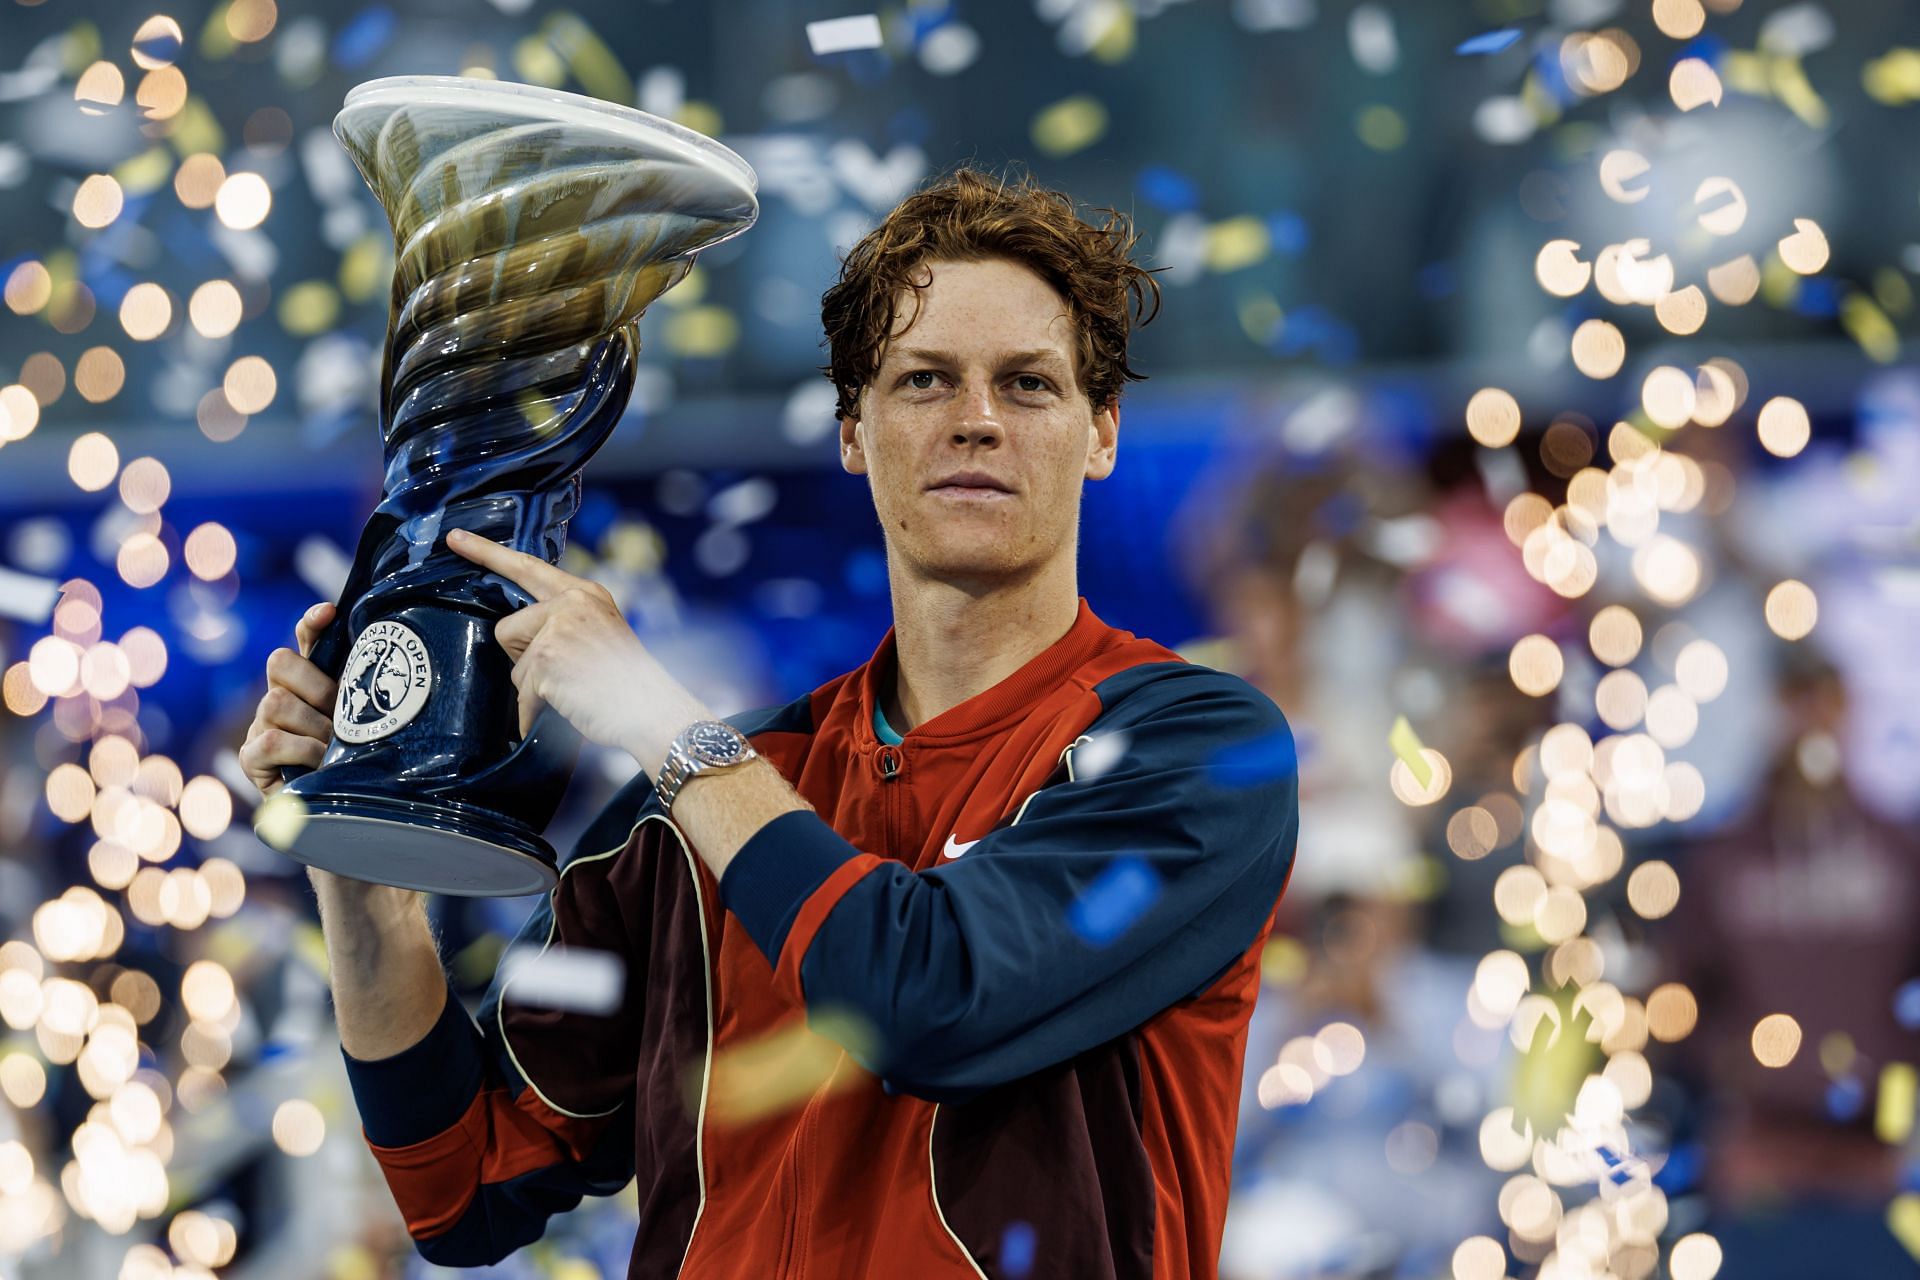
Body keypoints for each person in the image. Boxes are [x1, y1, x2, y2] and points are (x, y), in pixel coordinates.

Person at [239, 167, 1300, 1279]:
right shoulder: (687, 819)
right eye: (925, 379)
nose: (977, 420)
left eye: (1028, 384)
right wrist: (352, 860)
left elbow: (929, 998)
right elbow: (461, 1184)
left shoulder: (1194, 747)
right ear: (854, 428)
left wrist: (663, 722)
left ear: (1102, 432)